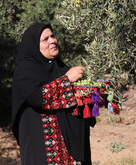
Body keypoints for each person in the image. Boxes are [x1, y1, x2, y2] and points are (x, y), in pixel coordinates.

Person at [11, 23, 96, 165]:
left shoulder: (61, 67)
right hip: (44, 149)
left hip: (72, 153)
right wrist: (67, 80)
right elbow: (39, 98)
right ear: (34, 46)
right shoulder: (25, 70)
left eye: (53, 36)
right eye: (45, 39)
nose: (52, 40)